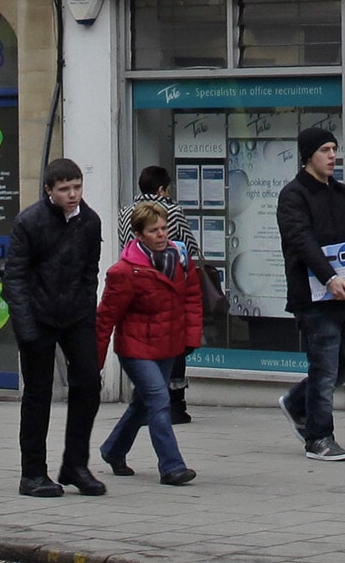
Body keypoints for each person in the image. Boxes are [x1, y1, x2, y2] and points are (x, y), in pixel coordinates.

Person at [1, 156, 106, 498]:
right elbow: (14, 277)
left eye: (77, 187)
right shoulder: (29, 222)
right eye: (65, 189)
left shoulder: (90, 221)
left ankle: (75, 465)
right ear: (49, 191)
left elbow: (91, 272)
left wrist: (87, 314)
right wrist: (26, 329)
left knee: (89, 384)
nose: (72, 194)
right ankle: (32, 473)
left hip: (75, 316)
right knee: (38, 395)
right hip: (38, 316)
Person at [275, 125, 345, 462]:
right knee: (324, 368)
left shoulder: (343, 193)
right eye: (325, 150)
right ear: (308, 157)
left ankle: (295, 402)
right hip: (315, 298)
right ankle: (319, 438)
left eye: (334, 149)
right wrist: (329, 276)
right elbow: (302, 241)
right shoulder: (293, 195)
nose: (333, 156)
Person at [95, 202, 202, 485]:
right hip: (136, 347)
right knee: (159, 399)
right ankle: (172, 466)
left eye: (164, 228)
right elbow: (105, 317)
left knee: (142, 405)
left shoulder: (180, 258)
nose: (161, 234)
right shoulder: (125, 272)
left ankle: (113, 450)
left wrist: (191, 338)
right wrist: (93, 362)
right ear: (139, 235)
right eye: (153, 230)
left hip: (168, 345)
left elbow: (192, 299)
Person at [132, 166, 198, 423]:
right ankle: (175, 404)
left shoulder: (127, 211)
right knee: (173, 345)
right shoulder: (171, 211)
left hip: (137, 284)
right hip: (168, 285)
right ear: (162, 189)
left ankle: (147, 399)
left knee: (145, 343)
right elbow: (188, 247)